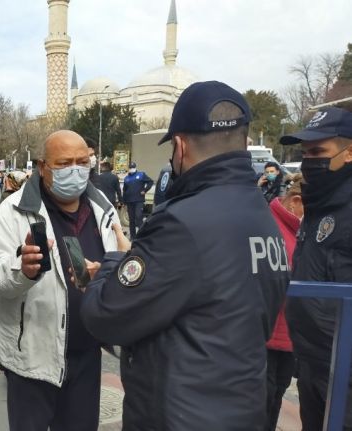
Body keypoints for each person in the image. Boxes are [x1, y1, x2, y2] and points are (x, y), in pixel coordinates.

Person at [81, 81, 289, 430]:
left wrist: (113, 264)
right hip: (241, 406)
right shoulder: (263, 214)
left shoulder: (181, 221)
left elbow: (106, 314)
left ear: (179, 146)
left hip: (180, 413)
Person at [0, 130, 119, 431]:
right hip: (33, 360)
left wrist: (114, 271)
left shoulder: (103, 208)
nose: (76, 170)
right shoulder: (13, 211)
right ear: (43, 167)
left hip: (87, 355)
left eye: (83, 162)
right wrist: (22, 270)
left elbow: (120, 262)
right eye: (64, 163)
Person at [279, 106, 352, 430]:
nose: (310, 160)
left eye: (319, 151)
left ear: (349, 153)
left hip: (344, 372)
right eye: (306, 152)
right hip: (313, 362)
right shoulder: (317, 202)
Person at [265, 173, 303, 431]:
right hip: (266, 335)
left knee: (275, 397)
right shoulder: (270, 225)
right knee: (261, 401)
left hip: (288, 337)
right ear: (295, 202)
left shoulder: (300, 230)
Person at [122, 161, 153, 238]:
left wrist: (145, 190)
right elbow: (124, 190)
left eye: (133, 168)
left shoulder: (141, 174)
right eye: (130, 168)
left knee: (138, 216)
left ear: (135, 168)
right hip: (129, 201)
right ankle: (133, 236)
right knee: (131, 220)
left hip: (139, 200)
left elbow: (150, 182)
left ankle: (142, 234)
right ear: (128, 169)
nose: (131, 169)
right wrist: (123, 201)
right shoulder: (126, 178)